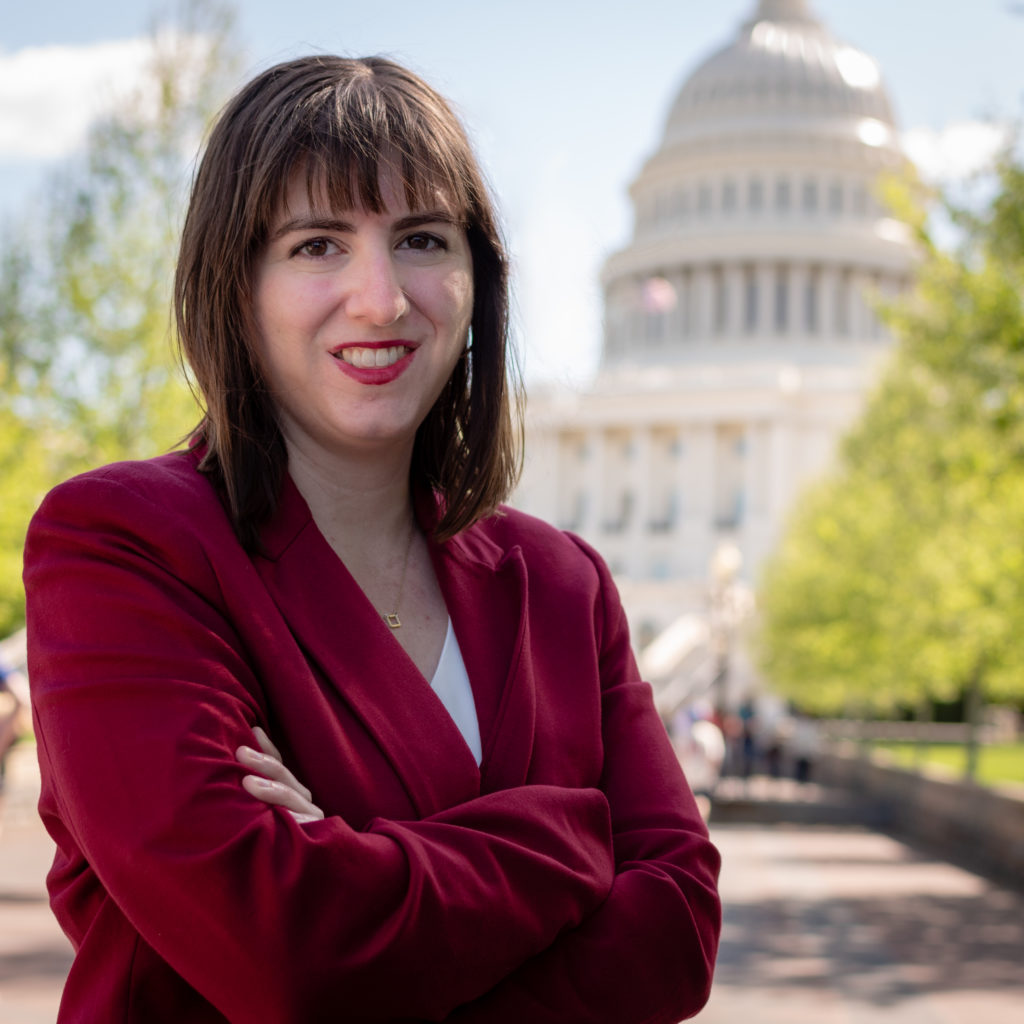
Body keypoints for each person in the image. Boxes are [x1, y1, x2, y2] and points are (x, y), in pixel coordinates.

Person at [24, 55, 721, 1023]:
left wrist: (356, 866)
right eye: (318, 245)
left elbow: (677, 933)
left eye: (423, 239)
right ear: (236, 283)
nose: (383, 298)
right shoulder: (126, 546)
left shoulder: (562, 585)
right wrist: (570, 840)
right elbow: (282, 955)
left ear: (477, 278)